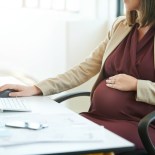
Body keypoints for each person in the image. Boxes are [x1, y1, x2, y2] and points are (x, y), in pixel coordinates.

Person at [0, 0, 155, 153]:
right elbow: (84, 69)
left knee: (72, 141)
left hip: (140, 124)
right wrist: (37, 88)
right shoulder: (120, 26)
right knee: (49, 132)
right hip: (98, 116)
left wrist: (137, 85)